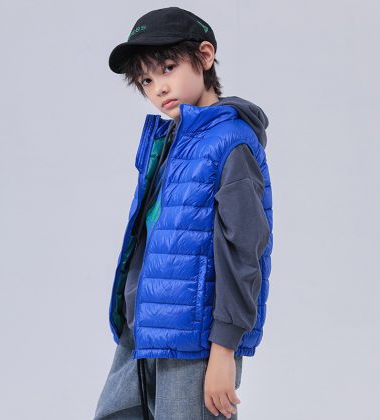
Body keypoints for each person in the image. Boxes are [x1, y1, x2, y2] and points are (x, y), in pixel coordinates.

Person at [94, 6, 273, 420]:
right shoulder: (172, 138)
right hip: (144, 332)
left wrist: (224, 350)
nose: (158, 87)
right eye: (146, 80)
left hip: (194, 342)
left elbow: (245, 252)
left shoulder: (231, 141)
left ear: (205, 56)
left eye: (168, 68)